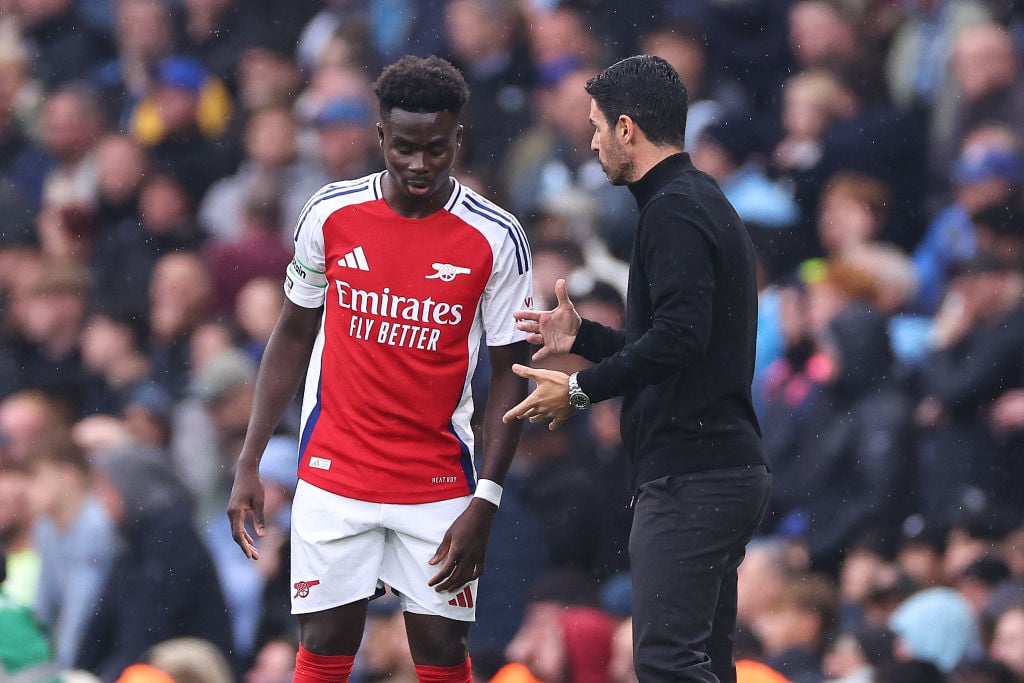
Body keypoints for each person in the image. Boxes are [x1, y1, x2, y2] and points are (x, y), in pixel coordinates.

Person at [226, 55, 532, 683]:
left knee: (442, 651)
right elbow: (291, 333)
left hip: (438, 481)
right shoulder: (330, 214)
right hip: (335, 472)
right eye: (406, 148)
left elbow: (510, 372)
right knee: (327, 640)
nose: (420, 165)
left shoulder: (496, 238)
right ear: (382, 138)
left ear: (458, 139)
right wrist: (250, 458)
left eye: (437, 149)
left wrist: (488, 500)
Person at [503, 55, 770, 683]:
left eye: (596, 126)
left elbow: (679, 339)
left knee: (666, 664)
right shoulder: (693, 199)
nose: (591, 141)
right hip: (717, 470)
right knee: (703, 664)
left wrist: (578, 388)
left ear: (627, 129)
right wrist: (585, 338)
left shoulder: (673, 209)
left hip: (694, 476)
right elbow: (678, 342)